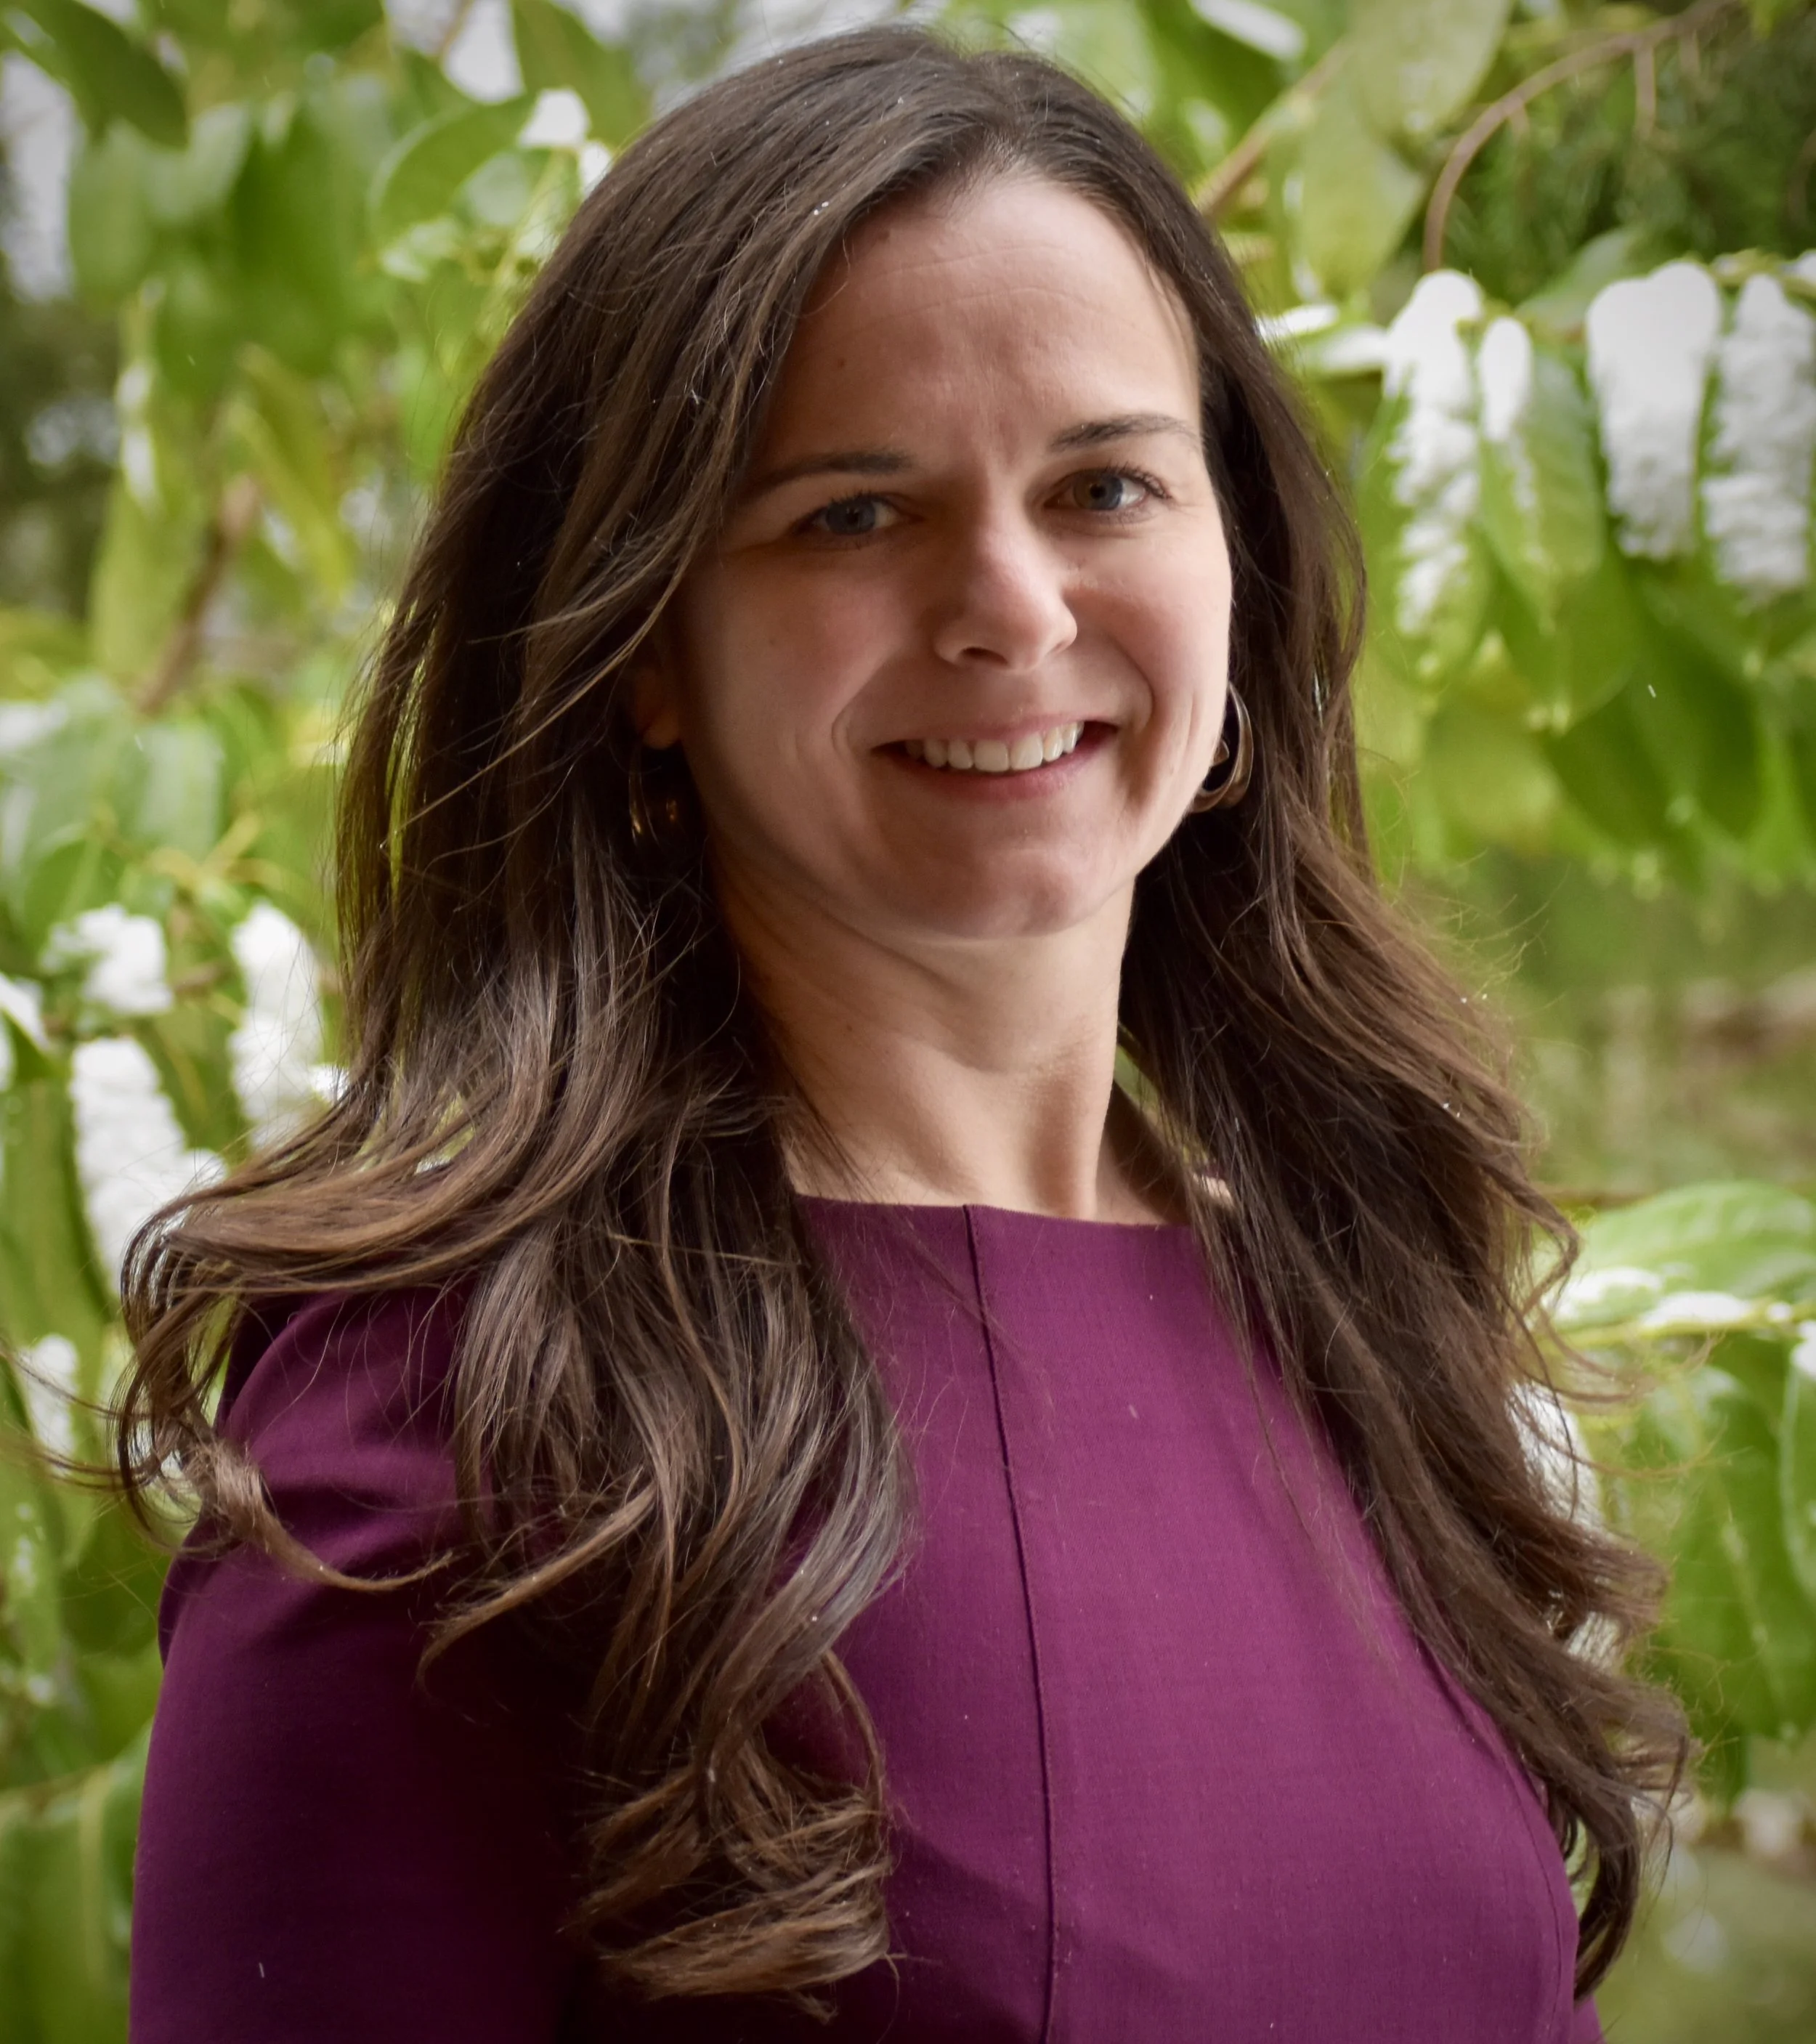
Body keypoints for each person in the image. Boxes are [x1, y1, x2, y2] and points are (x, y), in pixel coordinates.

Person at [120, 26, 1684, 2043]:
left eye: (1103, 482)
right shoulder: (454, 1433)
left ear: (1239, 556)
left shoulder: (1362, 1301)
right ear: (645, 645)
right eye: (852, 517)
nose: (1011, 606)